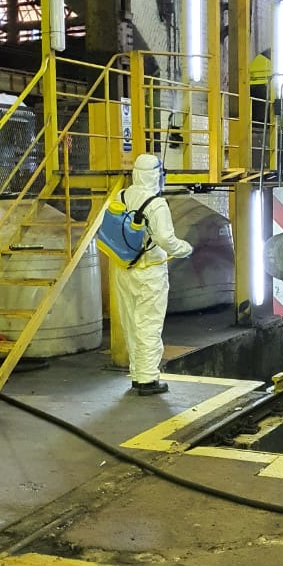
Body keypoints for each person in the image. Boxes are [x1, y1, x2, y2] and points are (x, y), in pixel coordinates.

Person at [113, 154, 192, 395]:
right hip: (149, 272)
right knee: (148, 323)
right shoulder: (157, 204)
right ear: (156, 175)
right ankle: (148, 379)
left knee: (130, 322)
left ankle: (137, 374)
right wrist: (186, 249)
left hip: (124, 269)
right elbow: (164, 239)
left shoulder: (122, 195)